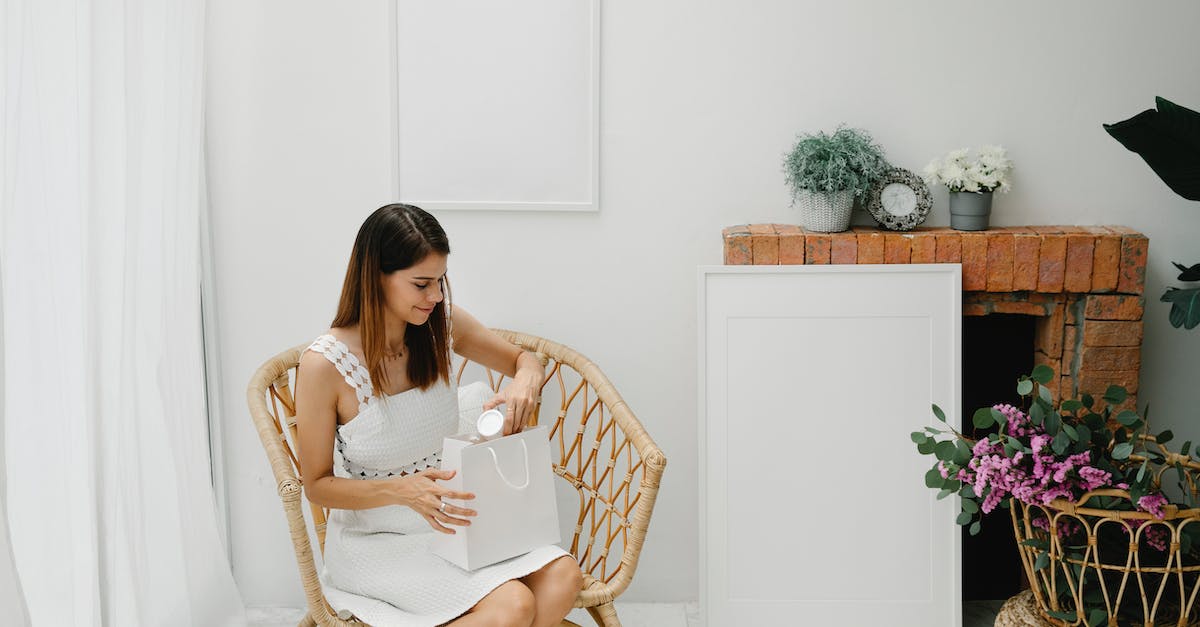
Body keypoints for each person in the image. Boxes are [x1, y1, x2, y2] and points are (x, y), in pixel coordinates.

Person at [294, 204, 582, 627]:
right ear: (376, 277)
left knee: (563, 576)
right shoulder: (325, 366)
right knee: (514, 607)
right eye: (422, 284)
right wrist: (403, 491)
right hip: (380, 541)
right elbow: (316, 486)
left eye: (440, 281)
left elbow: (526, 360)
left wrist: (524, 382)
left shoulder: (439, 326)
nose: (437, 296)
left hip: (457, 526)